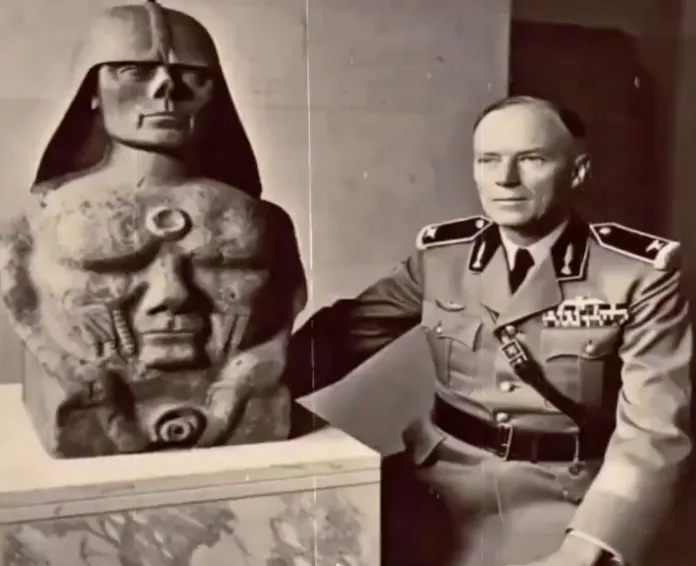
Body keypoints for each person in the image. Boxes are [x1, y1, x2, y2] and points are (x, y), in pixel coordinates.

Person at [287, 96, 693, 566]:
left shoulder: (638, 276)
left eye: (532, 159)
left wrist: (588, 545)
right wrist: (240, 387)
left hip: (564, 497)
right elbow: (339, 339)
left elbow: (653, 430)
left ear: (578, 172)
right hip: (434, 484)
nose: (505, 179)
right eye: (489, 160)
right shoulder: (443, 258)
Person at [0, 0, 306, 457]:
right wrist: (71, 370)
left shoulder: (262, 220)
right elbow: (23, 303)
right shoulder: (39, 218)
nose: (166, 88)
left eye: (193, 76)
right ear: (91, 89)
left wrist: (251, 373)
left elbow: (285, 305)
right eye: (133, 71)